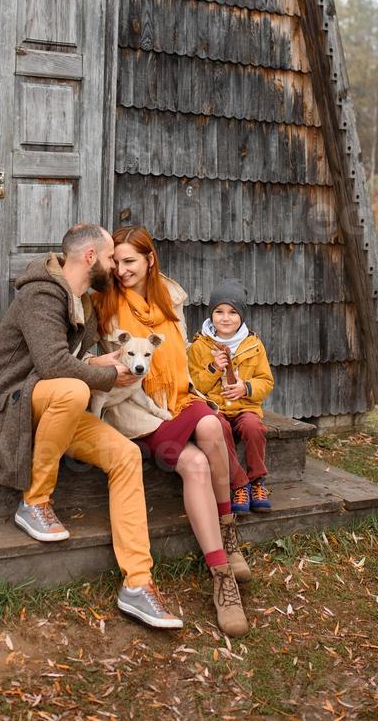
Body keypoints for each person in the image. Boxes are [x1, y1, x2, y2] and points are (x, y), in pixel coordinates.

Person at [0, 224, 183, 630]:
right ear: (90, 258)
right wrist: (106, 376)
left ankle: (138, 584)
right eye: (109, 259)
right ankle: (35, 501)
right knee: (71, 389)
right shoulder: (40, 293)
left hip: (54, 407)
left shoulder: (83, 304)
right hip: (10, 403)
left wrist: (112, 363)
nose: (115, 268)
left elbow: (77, 363)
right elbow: (54, 367)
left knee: (125, 455)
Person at [94, 226, 250, 638]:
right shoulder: (105, 304)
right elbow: (90, 361)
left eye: (130, 261)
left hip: (177, 400)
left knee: (212, 423)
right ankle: (222, 572)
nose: (122, 269)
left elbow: (181, 361)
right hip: (138, 411)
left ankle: (226, 539)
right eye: (117, 262)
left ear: (149, 260)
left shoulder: (170, 299)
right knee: (196, 461)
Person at [187, 278, 275, 514]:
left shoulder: (253, 345)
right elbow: (195, 385)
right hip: (216, 408)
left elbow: (266, 381)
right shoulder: (200, 347)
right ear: (211, 314)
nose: (225, 318)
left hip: (246, 407)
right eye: (219, 312)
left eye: (233, 313)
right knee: (220, 430)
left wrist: (246, 387)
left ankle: (258, 481)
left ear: (242, 316)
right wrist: (214, 368)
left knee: (254, 427)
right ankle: (239, 484)